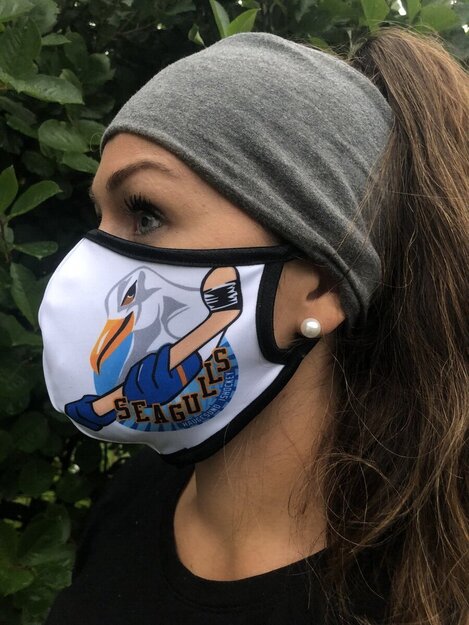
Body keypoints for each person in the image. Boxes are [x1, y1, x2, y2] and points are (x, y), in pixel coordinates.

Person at [39, 25, 468, 625]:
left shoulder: (422, 598)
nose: (84, 266)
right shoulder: (135, 499)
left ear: (320, 285)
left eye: (146, 213)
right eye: (101, 216)